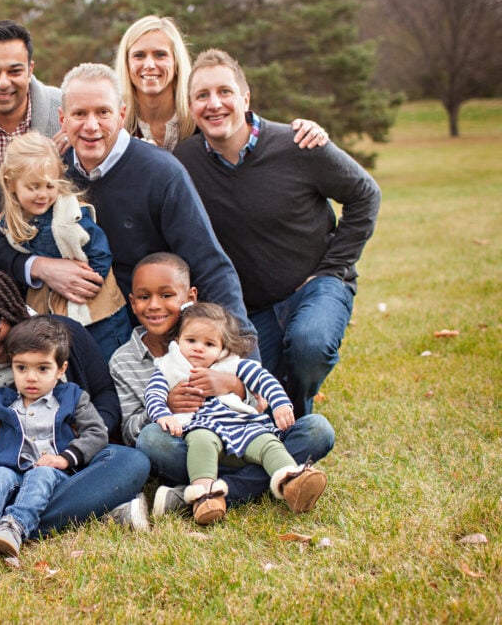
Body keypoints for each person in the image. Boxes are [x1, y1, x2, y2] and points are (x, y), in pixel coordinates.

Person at [0, 62, 256, 351]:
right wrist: (40, 266)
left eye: (103, 112)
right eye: (79, 114)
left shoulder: (161, 172)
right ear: (63, 119)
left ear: (122, 114)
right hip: (69, 332)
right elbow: (2, 242)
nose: (91, 126)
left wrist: (244, 363)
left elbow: (210, 266)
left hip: (150, 332)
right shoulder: (52, 173)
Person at [174, 49, 381, 417]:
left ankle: (301, 414)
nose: (214, 103)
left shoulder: (298, 143)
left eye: (225, 92)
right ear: (190, 107)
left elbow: (365, 194)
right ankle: (284, 418)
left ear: (245, 97)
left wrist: (333, 266)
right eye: (202, 96)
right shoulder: (185, 162)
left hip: (316, 286)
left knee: (309, 345)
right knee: (253, 390)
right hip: (253, 308)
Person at [0, 263, 151, 554]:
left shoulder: (63, 336)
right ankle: (89, 513)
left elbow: (104, 395)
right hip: (1, 474)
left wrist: (84, 438)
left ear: (7, 307)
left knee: (130, 462)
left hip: (67, 466)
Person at [109, 252, 334, 517]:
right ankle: (255, 482)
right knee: (152, 440)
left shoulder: (222, 345)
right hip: (192, 445)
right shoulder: (124, 360)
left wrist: (232, 385)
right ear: (133, 303)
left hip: (247, 436)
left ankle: (196, 496)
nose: (155, 305)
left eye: (167, 295)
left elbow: (258, 401)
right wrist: (164, 407)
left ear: (190, 297)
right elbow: (129, 432)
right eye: (145, 297)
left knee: (318, 430)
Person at [144, 302, 327, 525]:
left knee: (268, 442)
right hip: (202, 428)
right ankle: (205, 495)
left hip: (243, 427)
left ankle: (291, 480)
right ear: (178, 340)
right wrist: (163, 415)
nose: (198, 348)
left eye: (209, 344)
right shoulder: (169, 366)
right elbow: (153, 393)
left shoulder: (232, 364)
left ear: (222, 347)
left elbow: (263, 379)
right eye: (191, 341)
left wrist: (280, 405)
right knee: (199, 441)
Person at [0, 316, 108, 563]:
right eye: (21, 368)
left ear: (61, 369)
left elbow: (97, 433)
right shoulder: (0, 400)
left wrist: (66, 459)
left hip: (55, 475)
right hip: (10, 474)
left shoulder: (72, 397)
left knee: (45, 473)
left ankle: (13, 528)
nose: (31, 377)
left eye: (42, 368)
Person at [0, 131, 129, 359]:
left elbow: (100, 251)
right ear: (11, 185)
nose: (42, 195)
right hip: (49, 310)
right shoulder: (11, 222)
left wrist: (91, 282)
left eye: (50, 186)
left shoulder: (72, 215)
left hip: (95, 308)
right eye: (33, 187)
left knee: (107, 360)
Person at [114, 15, 329, 151]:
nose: (149, 65)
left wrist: (306, 130)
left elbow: (251, 137)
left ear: (176, 61)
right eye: (139, 56)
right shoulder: (116, 128)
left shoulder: (204, 117)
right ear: (126, 62)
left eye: (160, 55)